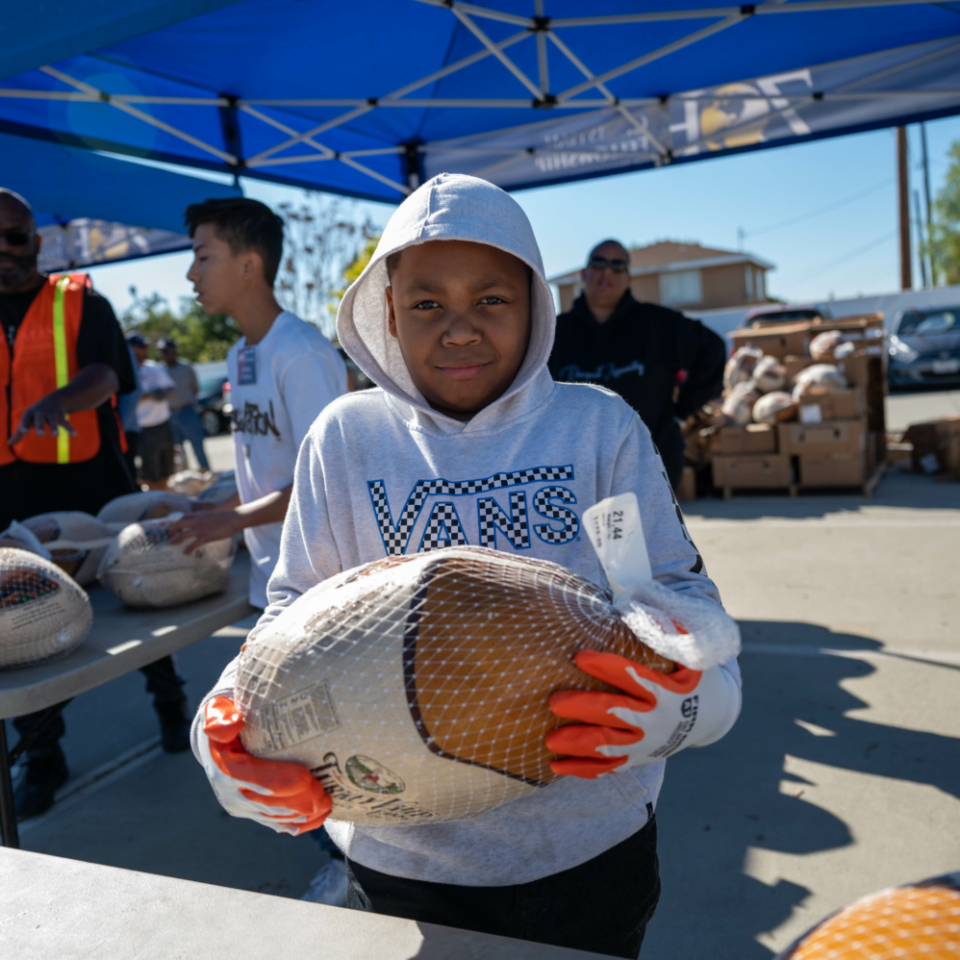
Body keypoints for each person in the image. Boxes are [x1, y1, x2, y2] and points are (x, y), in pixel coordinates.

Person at [189, 174, 742, 957]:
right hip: (401, 861)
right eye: (426, 304)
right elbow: (293, 614)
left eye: (491, 299)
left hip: (590, 848)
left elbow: (678, 599)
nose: (459, 329)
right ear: (385, 310)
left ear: (536, 306)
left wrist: (689, 709)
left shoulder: (598, 429)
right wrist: (224, 731)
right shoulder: (344, 440)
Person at [165, 196, 348, 903]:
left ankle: (356, 863)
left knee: (322, 725)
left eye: (203, 256)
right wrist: (214, 503)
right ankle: (340, 847)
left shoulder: (302, 353)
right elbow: (265, 467)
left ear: (250, 264)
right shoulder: (243, 355)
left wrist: (231, 520)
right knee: (290, 726)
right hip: (272, 575)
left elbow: (324, 480)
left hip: (319, 577)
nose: (190, 274)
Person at [0, 188, 192, 819]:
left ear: (36, 241)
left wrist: (60, 398)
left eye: (16, 237)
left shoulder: (80, 300)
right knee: (22, 619)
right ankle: (42, 753)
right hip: (13, 490)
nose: (6, 251)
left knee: (142, 588)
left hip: (93, 480)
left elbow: (109, 374)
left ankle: (169, 702)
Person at [548, 240, 726, 491]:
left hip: (652, 464)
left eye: (617, 266)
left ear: (628, 278)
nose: (606, 272)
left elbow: (713, 349)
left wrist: (683, 410)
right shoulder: (555, 333)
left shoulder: (659, 325)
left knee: (647, 532)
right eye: (598, 263)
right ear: (584, 274)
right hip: (577, 469)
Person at [128, 334, 176, 491]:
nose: (144, 350)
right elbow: (127, 396)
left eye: (145, 347)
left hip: (163, 424)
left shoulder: (153, 367)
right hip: (144, 429)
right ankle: (156, 502)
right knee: (150, 473)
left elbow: (171, 388)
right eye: (140, 347)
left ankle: (165, 500)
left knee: (167, 469)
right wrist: (149, 394)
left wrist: (162, 392)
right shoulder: (126, 369)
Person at [159, 337, 210, 471]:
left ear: (174, 351)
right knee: (178, 453)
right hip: (170, 414)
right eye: (162, 351)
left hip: (188, 412)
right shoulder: (159, 370)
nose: (164, 354)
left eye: (167, 351)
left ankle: (206, 475)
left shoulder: (186, 367)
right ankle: (184, 481)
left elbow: (195, 388)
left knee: (198, 447)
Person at [117, 336, 143, 482]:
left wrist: (120, 426)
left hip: (124, 429)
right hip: (125, 427)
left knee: (126, 475)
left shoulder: (121, 349)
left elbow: (133, 391)